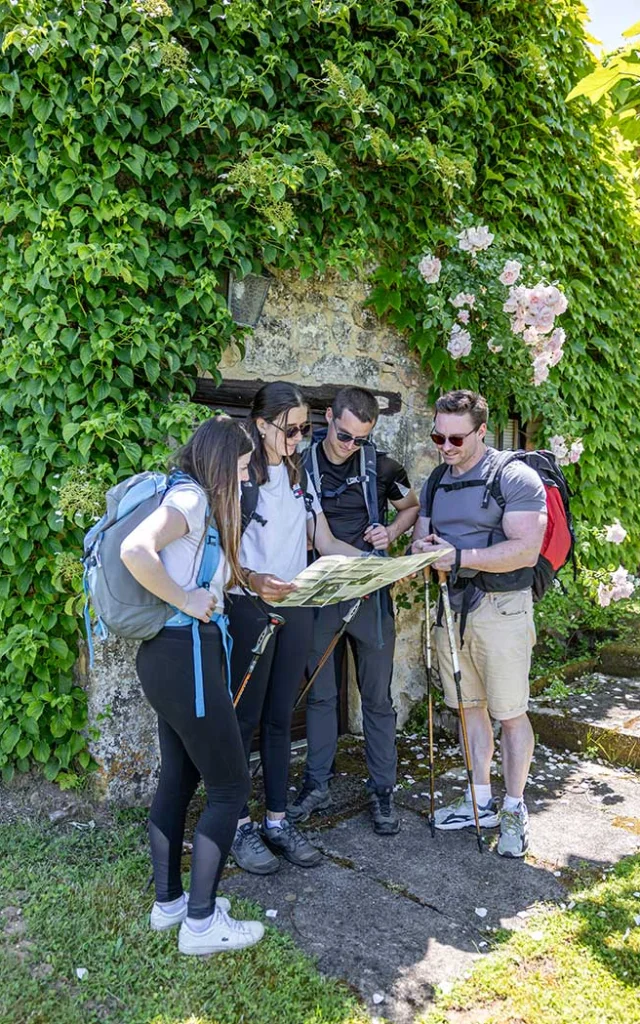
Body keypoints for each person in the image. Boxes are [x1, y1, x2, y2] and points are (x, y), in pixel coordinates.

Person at [120, 416, 264, 955]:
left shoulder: (190, 498)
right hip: (187, 658)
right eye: (245, 467)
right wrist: (186, 601)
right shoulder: (193, 500)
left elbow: (205, 575)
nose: (247, 479)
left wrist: (241, 582)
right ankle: (201, 926)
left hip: (165, 657)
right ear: (224, 464)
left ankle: (170, 905)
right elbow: (136, 551)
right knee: (229, 787)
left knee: (178, 779)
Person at [228, 381, 362, 875]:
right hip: (250, 608)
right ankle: (239, 824)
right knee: (244, 721)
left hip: (297, 605)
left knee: (281, 718)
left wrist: (374, 564)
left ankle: (278, 821)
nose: (300, 438)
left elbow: (322, 539)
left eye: (307, 428)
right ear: (261, 425)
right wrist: (253, 580)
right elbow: (217, 554)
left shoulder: (299, 471)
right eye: (291, 429)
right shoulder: (240, 475)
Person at [411, 389, 547, 857]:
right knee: (468, 707)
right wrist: (424, 548)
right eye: (437, 437)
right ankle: (480, 800)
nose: (445, 448)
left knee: (509, 714)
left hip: (502, 607)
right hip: (452, 609)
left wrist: (460, 555)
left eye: (455, 439)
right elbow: (418, 540)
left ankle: (513, 809)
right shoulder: (436, 479)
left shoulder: (514, 476)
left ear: (482, 431)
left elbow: (526, 548)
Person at [288, 386, 419, 835]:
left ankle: (383, 790)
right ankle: (316, 784)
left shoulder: (383, 466)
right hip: (321, 592)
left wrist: (391, 531)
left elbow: (411, 507)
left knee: (377, 699)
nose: (350, 446)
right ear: (328, 418)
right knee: (322, 695)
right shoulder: (298, 465)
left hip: (370, 594)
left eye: (360, 440)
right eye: (344, 436)